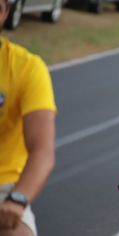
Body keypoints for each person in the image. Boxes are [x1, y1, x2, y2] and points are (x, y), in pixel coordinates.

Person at [0, 0, 57, 235]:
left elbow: (42, 151)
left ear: (4, 12)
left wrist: (18, 198)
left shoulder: (28, 68)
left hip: (3, 189)